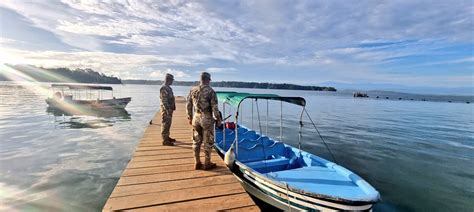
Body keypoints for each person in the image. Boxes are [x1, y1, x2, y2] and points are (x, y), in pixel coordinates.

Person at [186, 72, 222, 170]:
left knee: (196, 141)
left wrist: (189, 117)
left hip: (196, 117)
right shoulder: (211, 91)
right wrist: (218, 120)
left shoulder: (192, 90)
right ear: (208, 80)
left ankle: (197, 162)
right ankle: (207, 163)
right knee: (208, 141)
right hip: (206, 118)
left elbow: (188, 105)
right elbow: (215, 108)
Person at [160, 73, 176, 146]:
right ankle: (165, 140)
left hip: (169, 110)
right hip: (166, 110)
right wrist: (167, 109)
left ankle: (167, 137)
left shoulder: (168, 88)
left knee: (168, 124)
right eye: (172, 80)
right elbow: (164, 100)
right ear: (168, 80)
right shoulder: (164, 88)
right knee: (165, 124)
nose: (172, 81)